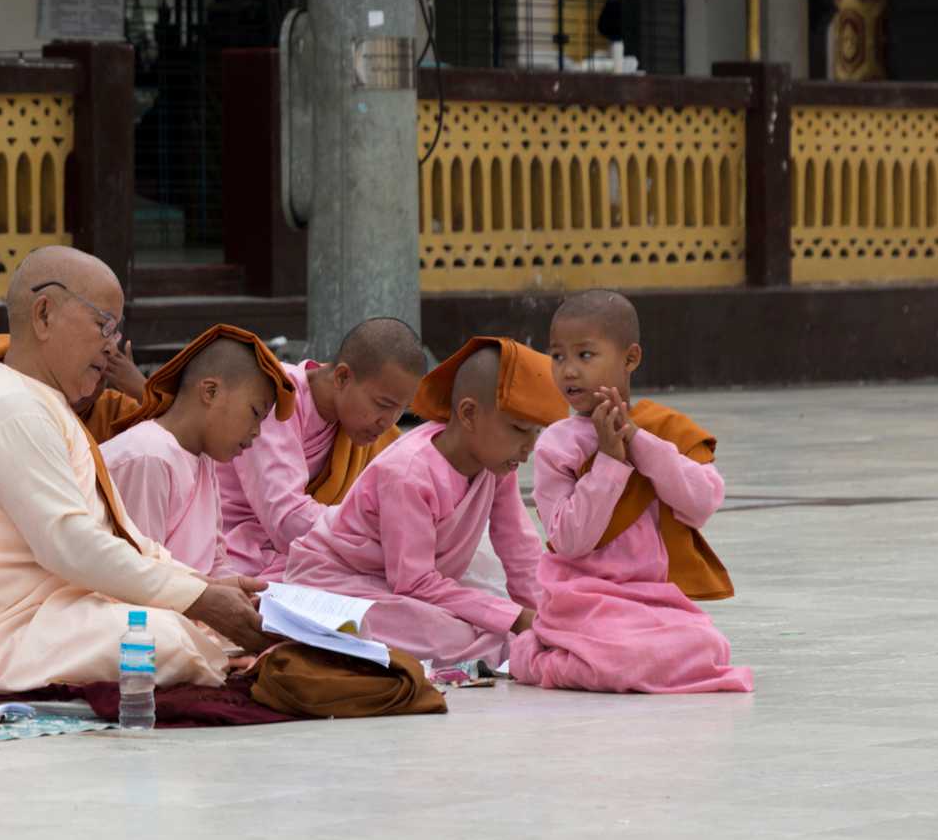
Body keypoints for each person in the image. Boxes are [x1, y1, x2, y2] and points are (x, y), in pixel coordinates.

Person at [0, 246, 269, 695]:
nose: (112, 345)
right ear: (45, 315)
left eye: (117, 329)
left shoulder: (45, 406)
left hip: (37, 614)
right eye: (103, 324)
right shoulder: (9, 406)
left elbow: (117, 535)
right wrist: (201, 600)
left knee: (177, 630)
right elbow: (70, 545)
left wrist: (203, 586)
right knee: (160, 641)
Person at [510, 290, 753, 693]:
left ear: (630, 358)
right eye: (558, 356)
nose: (568, 371)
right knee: (623, 659)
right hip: (583, 598)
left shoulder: (661, 429)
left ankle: (592, 655)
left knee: (709, 647)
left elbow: (703, 502)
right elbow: (569, 541)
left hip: (652, 595)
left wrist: (639, 442)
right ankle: (537, 658)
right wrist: (609, 461)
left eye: (585, 355)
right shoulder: (557, 443)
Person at [284, 337, 567, 667]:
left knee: (498, 615)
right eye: (519, 429)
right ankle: (522, 656)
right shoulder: (408, 472)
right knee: (450, 635)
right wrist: (518, 620)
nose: (528, 448)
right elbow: (414, 582)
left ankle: (520, 646)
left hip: (406, 588)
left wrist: (546, 618)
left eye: (536, 433)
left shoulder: (497, 465)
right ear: (469, 413)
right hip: (336, 582)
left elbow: (519, 550)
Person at [215, 318, 428, 580]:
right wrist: (379, 533)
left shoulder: (351, 425)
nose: (388, 422)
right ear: (342, 377)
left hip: (294, 548)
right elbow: (287, 519)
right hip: (235, 545)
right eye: (383, 404)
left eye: (400, 410)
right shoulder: (278, 397)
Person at [100, 325, 294, 575]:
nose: (257, 432)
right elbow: (140, 576)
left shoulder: (203, 459)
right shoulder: (148, 456)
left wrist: (240, 592)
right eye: (255, 413)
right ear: (210, 392)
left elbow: (215, 561)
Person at [0, 332, 147, 444]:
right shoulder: (24, 388)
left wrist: (142, 389)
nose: (88, 384)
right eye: (81, 365)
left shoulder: (115, 408)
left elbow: (171, 436)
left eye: (99, 372)